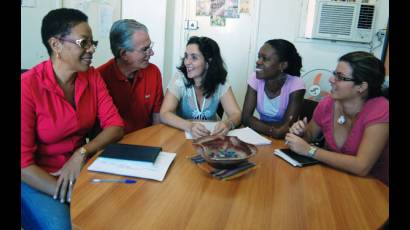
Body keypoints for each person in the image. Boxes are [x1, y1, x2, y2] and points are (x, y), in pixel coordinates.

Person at [21, 8, 124, 230]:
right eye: (83, 42)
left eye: (92, 42)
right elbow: (23, 165)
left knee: (122, 212)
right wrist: (69, 192)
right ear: (55, 44)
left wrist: (81, 153)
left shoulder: (92, 76)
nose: (92, 49)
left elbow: (115, 126)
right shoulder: (27, 87)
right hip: (38, 178)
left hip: (82, 170)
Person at [286, 51, 389, 185]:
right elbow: (309, 136)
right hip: (336, 177)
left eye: (340, 77)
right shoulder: (327, 103)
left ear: (361, 87)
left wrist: (309, 150)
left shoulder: (381, 109)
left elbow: (361, 166)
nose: (331, 79)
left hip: (374, 185)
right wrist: (300, 133)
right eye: (334, 74)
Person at [160, 36, 241, 138]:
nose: (187, 62)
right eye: (186, 56)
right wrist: (189, 126)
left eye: (194, 57)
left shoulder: (220, 82)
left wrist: (228, 124)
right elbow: (164, 113)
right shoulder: (179, 78)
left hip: (210, 137)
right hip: (181, 136)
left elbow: (236, 113)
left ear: (208, 62)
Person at [98, 19, 164, 134]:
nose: (151, 53)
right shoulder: (99, 77)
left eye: (150, 46)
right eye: (145, 49)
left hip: (147, 141)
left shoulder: (154, 72)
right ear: (124, 54)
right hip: (112, 144)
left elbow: (157, 117)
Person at [242, 39, 305, 138]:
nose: (258, 61)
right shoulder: (255, 78)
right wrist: (273, 131)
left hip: (286, 140)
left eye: (265, 58)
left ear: (282, 65)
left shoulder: (296, 84)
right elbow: (245, 118)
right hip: (262, 136)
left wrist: (257, 124)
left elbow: (287, 126)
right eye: (259, 57)